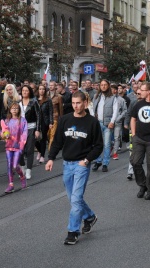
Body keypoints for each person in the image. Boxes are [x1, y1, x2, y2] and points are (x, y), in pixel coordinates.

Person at [45, 91, 103, 245]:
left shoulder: (92, 122)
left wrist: (87, 160)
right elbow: (57, 141)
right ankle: (89, 217)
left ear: (85, 103)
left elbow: (98, 146)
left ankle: (73, 232)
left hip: (81, 165)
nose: (76, 106)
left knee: (76, 199)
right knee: (73, 198)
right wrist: (50, 158)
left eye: (79, 103)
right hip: (67, 164)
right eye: (74, 103)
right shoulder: (65, 120)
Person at [0, 102, 28, 193]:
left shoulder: (22, 120)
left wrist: (22, 144)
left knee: (15, 165)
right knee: (9, 165)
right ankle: (11, 184)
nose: (14, 110)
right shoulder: (7, 120)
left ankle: (22, 177)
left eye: (16, 108)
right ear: (10, 110)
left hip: (18, 146)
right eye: (13, 108)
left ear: (19, 110)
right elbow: (2, 131)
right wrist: (3, 135)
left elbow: (25, 133)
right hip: (9, 146)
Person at [92, 79, 119, 172]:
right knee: (96, 143)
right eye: (101, 85)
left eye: (105, 85)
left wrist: (112, 121)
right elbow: (92, 109)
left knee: (107, 144)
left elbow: (115, 110)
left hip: (107, 124)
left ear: (108, 86)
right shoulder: (96, 96)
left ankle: (105, 163)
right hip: (97, 122)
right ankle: (98, 161)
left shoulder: (112, 97)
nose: (103, 86)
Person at [18, 85, 40, 179]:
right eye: (23, 90)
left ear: (30, 92)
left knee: (30, 150)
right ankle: (22, 167)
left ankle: (28, 170)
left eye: (26, 90)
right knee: (20, 151)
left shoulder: (34, 102)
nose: (25, 92)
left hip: (31, 128)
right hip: (20, 129)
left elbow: (39, 116)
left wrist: (37, 130)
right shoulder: (18, 103)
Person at [36, 84, 53, 164]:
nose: (41, 91)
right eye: (40, 89)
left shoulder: (48, 100)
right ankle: (39, 150)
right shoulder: (35, 99)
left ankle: (42, 155)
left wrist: (51, 122)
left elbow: (50, 111)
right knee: (34, 139)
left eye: (43, 89)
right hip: (36, 121)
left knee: (43, 138)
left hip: (44, 121)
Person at [110, 84, 127, 160]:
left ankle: (115, 152)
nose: (113, 91)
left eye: (114, 89)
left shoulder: (121, 100)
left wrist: (119, 117)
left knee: (117, 137)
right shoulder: (108, 99)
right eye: (111, 89)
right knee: (109, 138)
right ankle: (110, 148)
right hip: (109, 121)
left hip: (117, 121)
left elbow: (125, 110)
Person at [48, 83, 64, 151]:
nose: (51, 86)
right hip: (46, 117)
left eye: (52, 85)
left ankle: (50, 150)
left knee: (52, 134)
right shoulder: (46, 95)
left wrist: (61, 118)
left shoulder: (59, 96)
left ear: (55, 87)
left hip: (55, 117)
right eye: (50, 85)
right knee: (48, 134)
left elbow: (61, 108)